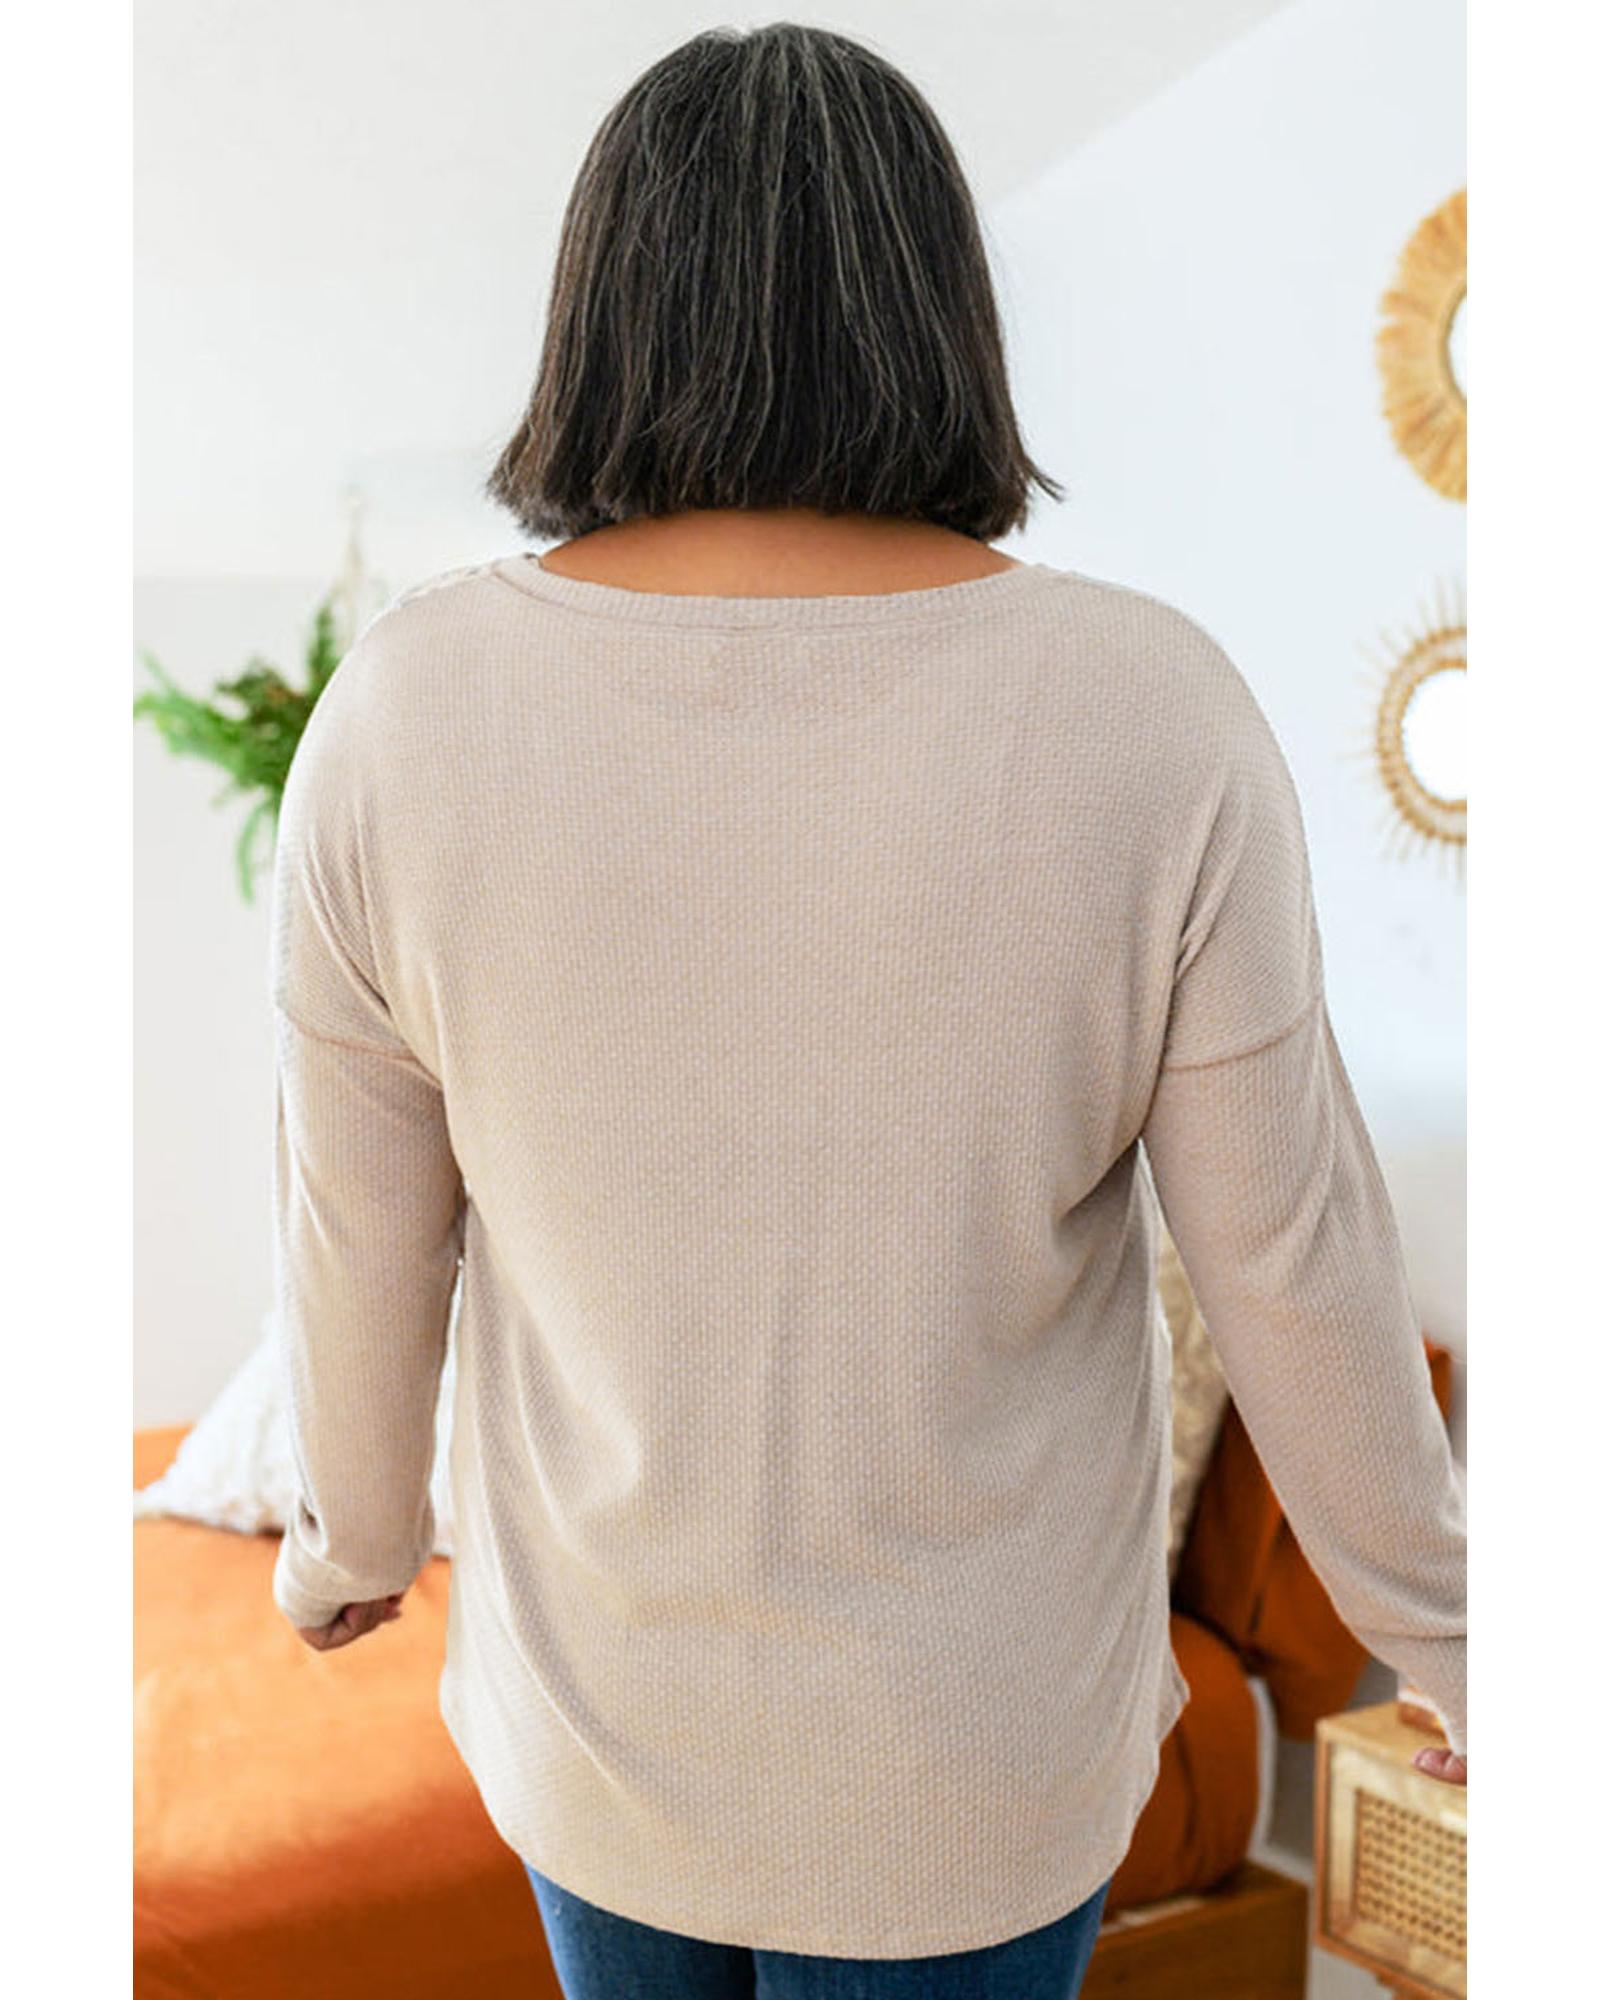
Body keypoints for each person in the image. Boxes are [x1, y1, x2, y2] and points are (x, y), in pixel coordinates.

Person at [268, 21, 1467, 1998]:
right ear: (939, 314)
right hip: (973, 1766)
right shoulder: (1146, 711)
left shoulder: (401, 714)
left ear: (600, 315)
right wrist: (1453, 1641)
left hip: (597, 1729)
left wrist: (353, 1546)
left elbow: (364, 1234)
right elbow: (1290, 1247)